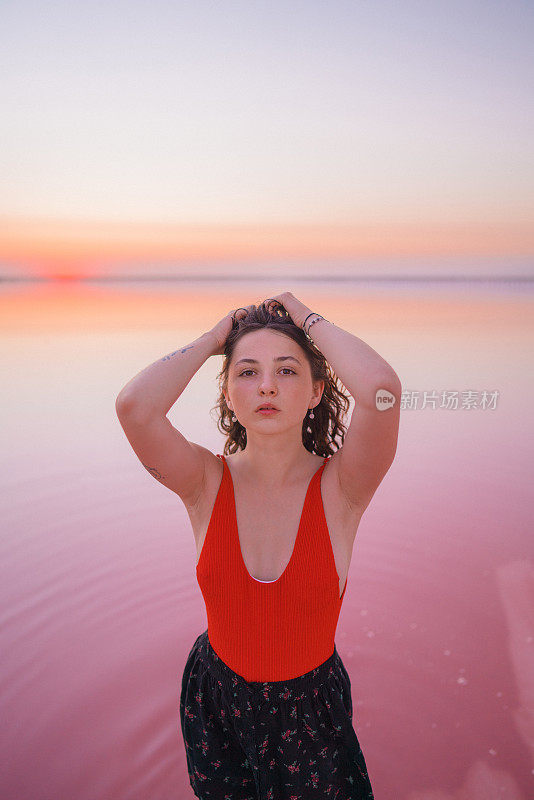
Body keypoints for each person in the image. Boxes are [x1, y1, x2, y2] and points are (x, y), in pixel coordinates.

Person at [115, 292, 402, 799]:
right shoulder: (204, 481)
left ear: (317, 391)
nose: (266, 385)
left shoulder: (343, 488)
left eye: (288, 371)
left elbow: (381, 390)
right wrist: (213, 339)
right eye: (246, 372)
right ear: (228, 393)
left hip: (310, 712)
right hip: (215, 698)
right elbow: (135, 408)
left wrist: (306, 319)